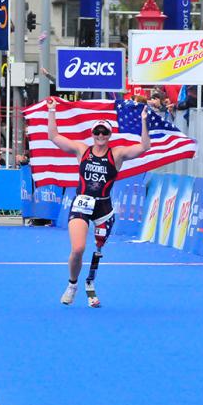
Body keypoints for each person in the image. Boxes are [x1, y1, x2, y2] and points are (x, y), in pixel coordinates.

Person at [47, 98, 150, 308]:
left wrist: (144, 122)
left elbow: (144, 147)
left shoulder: (117, 154)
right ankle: (72, 284)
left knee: (97, 251)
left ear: (109, 135)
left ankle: (90, 283)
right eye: (97, 133)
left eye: (105, 133)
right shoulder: (81, 150)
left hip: (103, 208)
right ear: (92, 135)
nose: (101, 136)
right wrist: (51, 111)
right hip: (82, 203)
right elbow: (54, 137)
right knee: (78, 248)